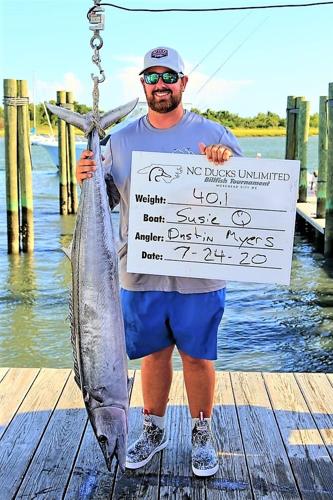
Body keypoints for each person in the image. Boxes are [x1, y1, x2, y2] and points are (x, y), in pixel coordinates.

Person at [77, 46, 242, 477]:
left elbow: (249, 198)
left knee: (199, 357)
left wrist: (224, 166)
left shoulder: (214, 134)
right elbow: (109, 200)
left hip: (200, 272)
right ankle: (153, 430)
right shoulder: (123, 140)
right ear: (142, 85)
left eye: (168, 76)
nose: (160, 85)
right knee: (152, 355)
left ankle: (201, 434)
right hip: (141, 270)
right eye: (151, 77)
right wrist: (87, 176)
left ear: (183, 83)